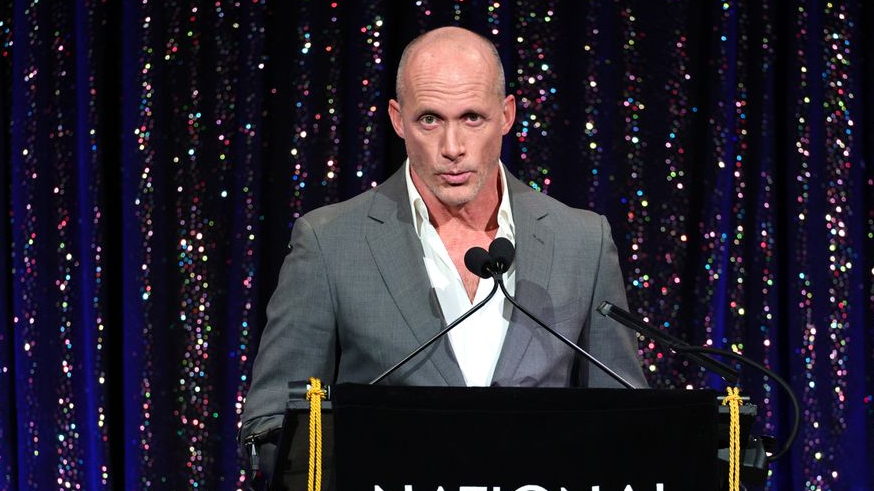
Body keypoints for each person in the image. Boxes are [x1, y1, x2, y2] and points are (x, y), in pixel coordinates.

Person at [241, 26, 645, 446]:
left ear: (506, 115)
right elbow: (271, 427)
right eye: (430, 119)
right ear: (398, 120)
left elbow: (628, 420)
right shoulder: (329, 243)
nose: (453, 147)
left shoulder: (582, 242)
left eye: (472, 118)